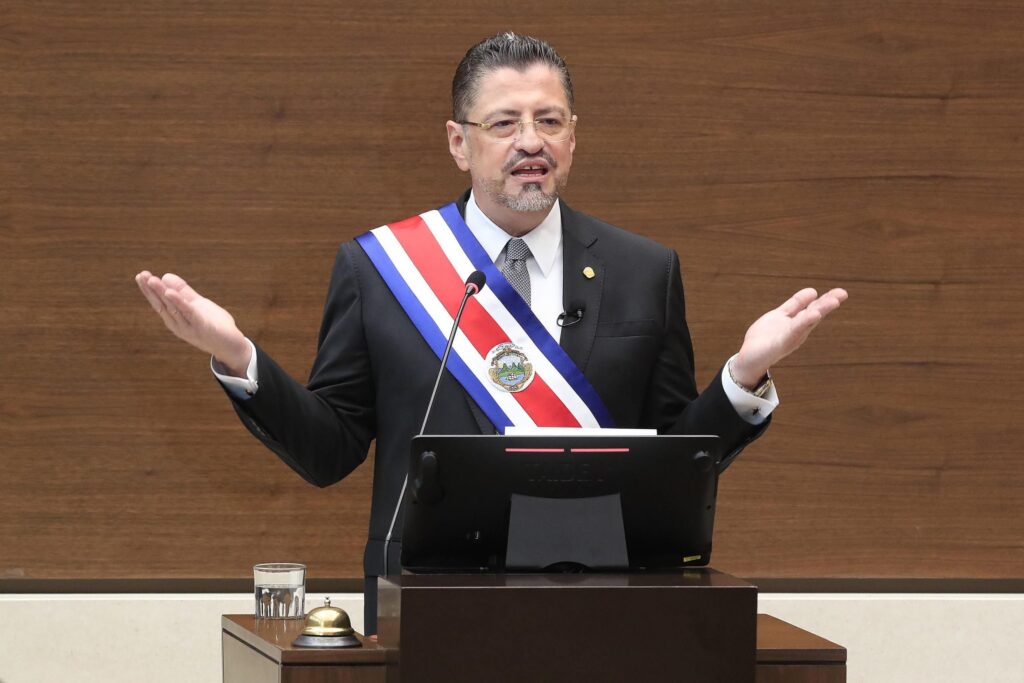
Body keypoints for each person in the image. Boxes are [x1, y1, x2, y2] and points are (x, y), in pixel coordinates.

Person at [135, 33, 847, 634]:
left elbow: (674, 460)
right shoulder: (383, 268)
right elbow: (330, 449)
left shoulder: (645, 270)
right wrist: (237, 355)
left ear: (574, 136)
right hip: (425, 613)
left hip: (606, 617)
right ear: (458, 141)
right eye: (504, 123)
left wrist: (742, 378)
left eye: (550, 121)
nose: (530, 143)